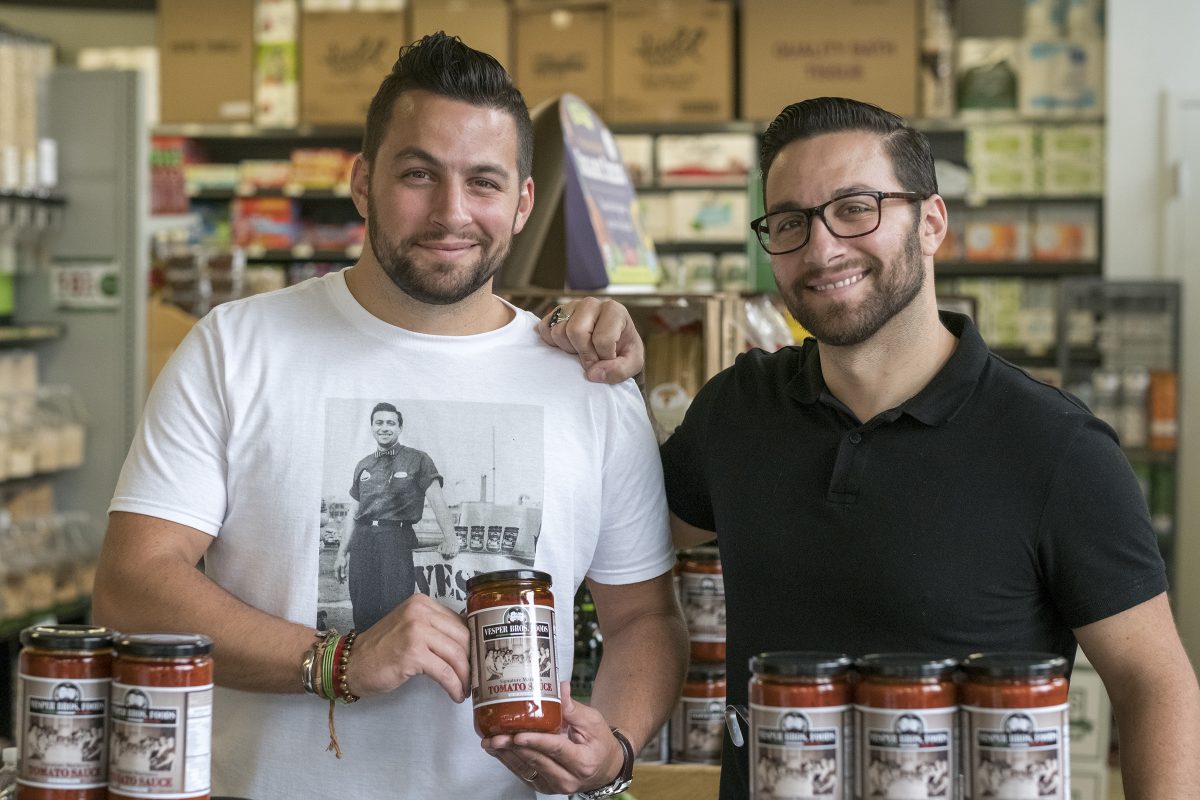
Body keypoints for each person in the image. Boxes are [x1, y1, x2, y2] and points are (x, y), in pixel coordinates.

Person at [541, 97, 1200, 799]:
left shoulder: (1055, 446)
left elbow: (1152, 680)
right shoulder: (740, 410)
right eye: (791, 222)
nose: (822, 249)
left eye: (855, 208)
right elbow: (605, 535)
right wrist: (588, 353)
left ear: (932, 222)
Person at [93, 32, 687, 800]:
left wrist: (615, 748)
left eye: (483, 181)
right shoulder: (238, 348)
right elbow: (131, 585)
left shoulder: (592, 380)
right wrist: (334, 660)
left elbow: (645, 619)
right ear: (363, 182)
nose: (451, 211)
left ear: (522, 202)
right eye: (418, 174)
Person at [333, 401, 457, 631]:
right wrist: (342, 553)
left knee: (396, 609)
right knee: (363, 609)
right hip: (363, 541)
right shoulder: (364, 465)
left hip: (397, 540)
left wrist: (450, 538)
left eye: (391, 423)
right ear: (371, 427)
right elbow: (353, 513)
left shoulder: (418, 459)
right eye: (379, 422)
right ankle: (366, 662)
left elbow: (437, 501)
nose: (384, 427)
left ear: (400, 428)